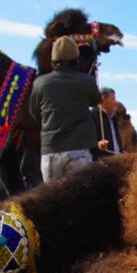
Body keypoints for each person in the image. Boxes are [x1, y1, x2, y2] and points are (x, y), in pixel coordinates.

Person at [28, 36, 101, 182]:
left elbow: (34, 113)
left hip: (50, 152)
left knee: (52, 201)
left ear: (53, 60)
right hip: (78, 150)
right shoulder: (87, 81)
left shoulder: (40, 83)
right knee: (79, 200)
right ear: (76, 59)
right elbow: (96, 101)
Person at [91, 86, 123, 159]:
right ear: (103, 99)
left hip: (116, 162)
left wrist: (121, 151)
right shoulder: (92, 117)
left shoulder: (113, 118)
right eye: (113, 99)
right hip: (101, 165)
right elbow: (87, 142)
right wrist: (97, 145)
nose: (116, 102)